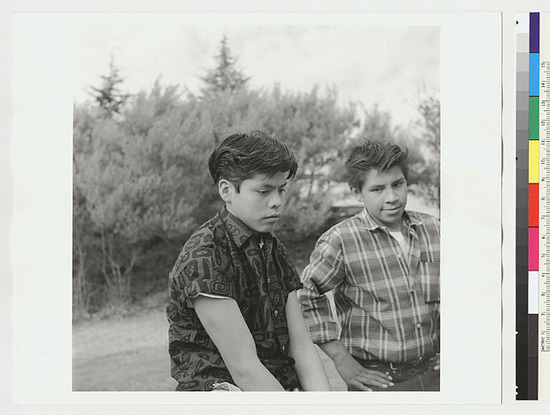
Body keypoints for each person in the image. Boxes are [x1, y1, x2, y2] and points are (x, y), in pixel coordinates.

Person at [167, 130, 331, 391]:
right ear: (226, 190)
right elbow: (244, 368)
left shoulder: (274, 248)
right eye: (264, 191)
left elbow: (301, 346)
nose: (276, 202)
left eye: (281, 190)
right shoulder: (205, 254)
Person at [299, 140, 440, 391]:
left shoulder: (436, 229)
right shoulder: (341, 239)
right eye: (377, 189)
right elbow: (305, 296)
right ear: (357, 192)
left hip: (437, 376)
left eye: (398, 184)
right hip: (379, 382)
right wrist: (341, 360)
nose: (392, 197)